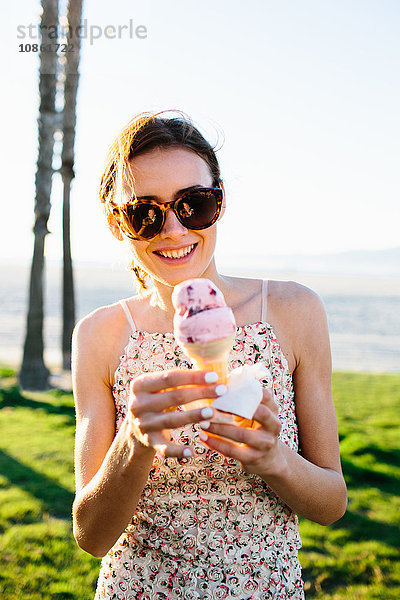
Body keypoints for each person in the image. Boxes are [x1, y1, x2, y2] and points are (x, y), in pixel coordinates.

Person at [72, 111, 347, 600]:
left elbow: (331, 504)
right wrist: (135, 442)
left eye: (193, 203)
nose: (174, 230)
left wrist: (274, 459)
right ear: (118, 224)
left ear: (220, 200)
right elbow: (92, 536)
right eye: (144, 213)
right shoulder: (100, 335)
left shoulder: (293, 310)